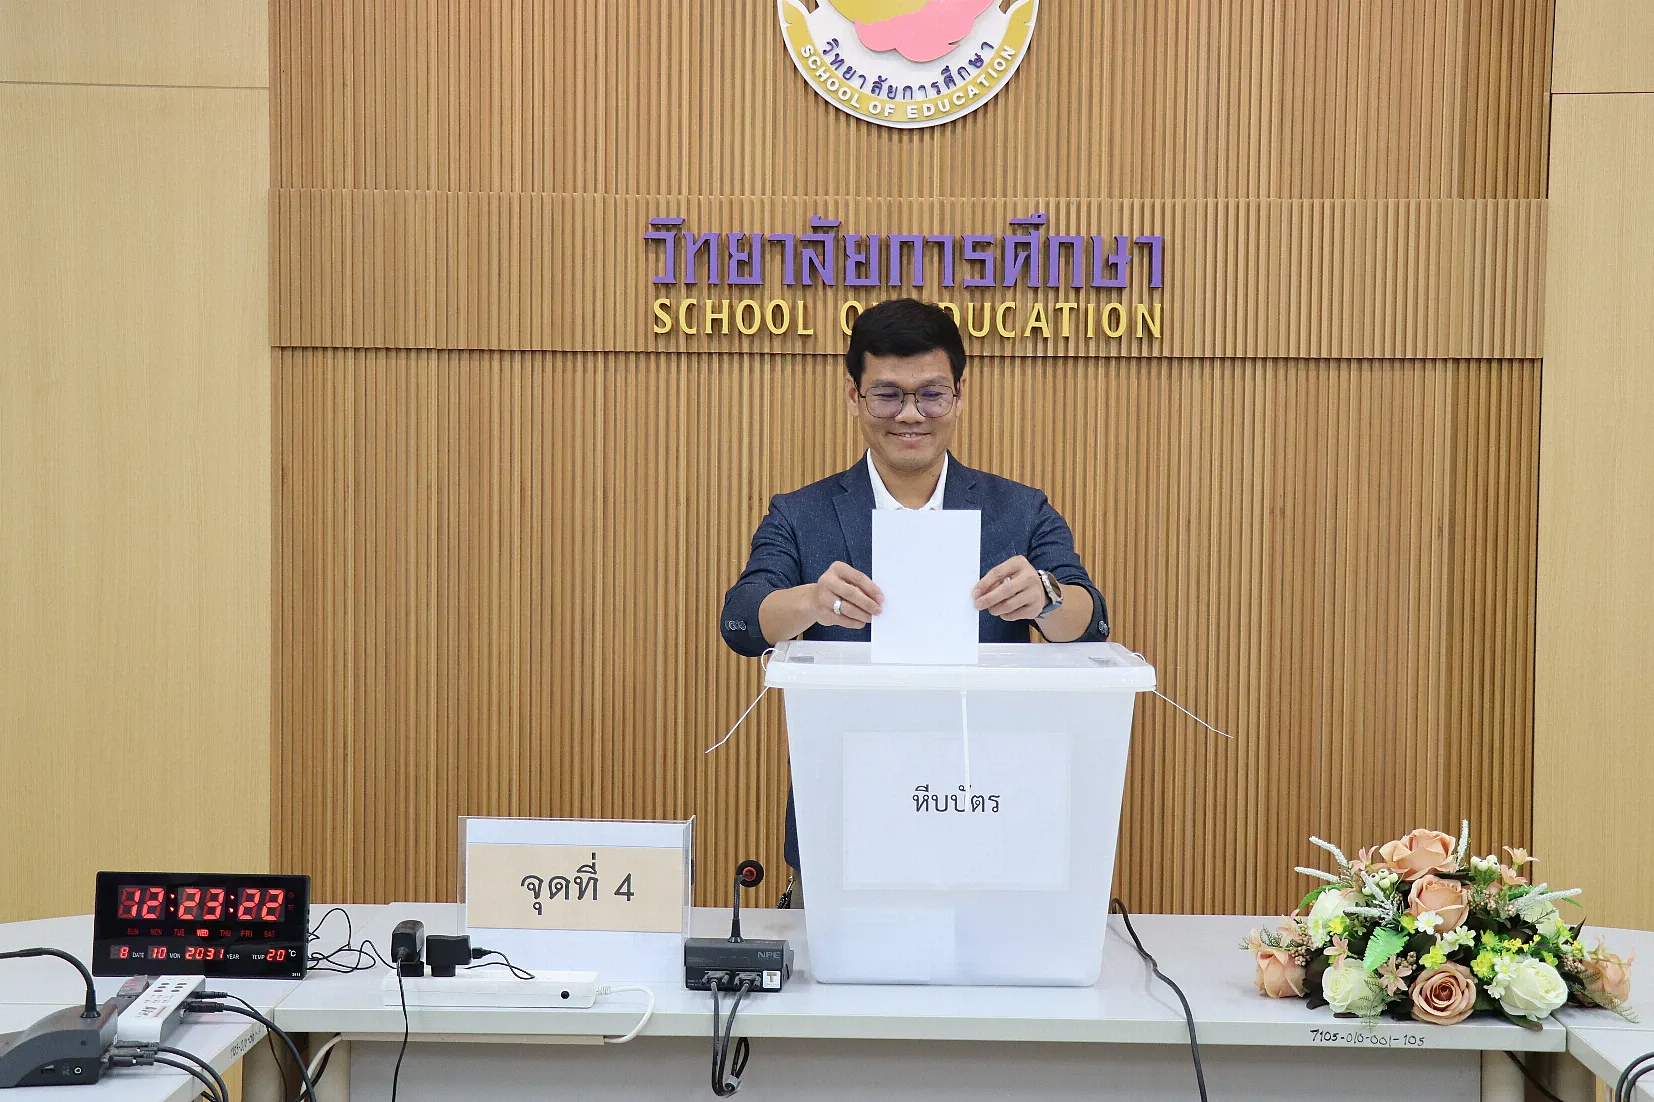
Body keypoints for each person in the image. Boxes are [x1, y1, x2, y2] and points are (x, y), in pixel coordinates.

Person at [719, 297, 1111, 890]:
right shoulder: (801, 515)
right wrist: (810, 602)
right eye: (887, 395)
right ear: (853, 397)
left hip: (991, 818)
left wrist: (1045, 595)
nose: (910, 414)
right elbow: (741, 623)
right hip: (846, 825)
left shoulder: (1019, 510)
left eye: (931, 394)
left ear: (960, 394)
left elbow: (1090, 621)